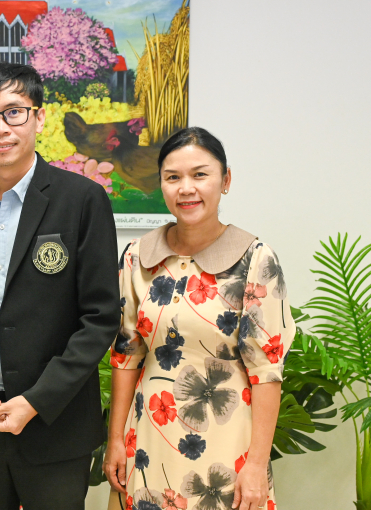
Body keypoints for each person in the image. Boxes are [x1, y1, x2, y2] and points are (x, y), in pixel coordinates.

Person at [0, 62, 121, 510]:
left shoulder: (82, 199)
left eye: (15, 112)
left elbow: (100, 319)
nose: (1, 128)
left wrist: (35, 401)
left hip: (54, 424)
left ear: (39, 117)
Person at [104, 127, 293, 510]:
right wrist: (115, 441)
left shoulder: (255, 259)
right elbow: (126, 357)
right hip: (148, 441)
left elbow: (266, 370)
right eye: (173, 177)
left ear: (225, 180)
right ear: (160, 184)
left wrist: (257, 464)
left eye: (200, 175)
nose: (186, 188)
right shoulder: (137, 256)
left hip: (226, 445)